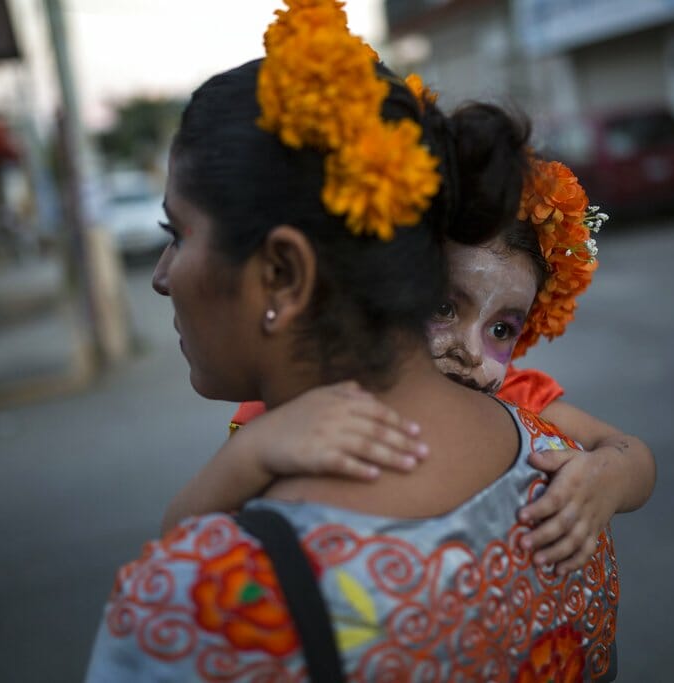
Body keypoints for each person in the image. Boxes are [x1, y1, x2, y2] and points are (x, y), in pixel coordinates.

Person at [86, 1, 617, 680]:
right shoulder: (567, 479)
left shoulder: (200, 602)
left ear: (282, 273)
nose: (162, 277)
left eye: (177, 234)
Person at [163, 157, 655, 580]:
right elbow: (177, 550)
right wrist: (255, 453)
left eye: (502, 330)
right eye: (443, 308)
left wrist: (604, 478)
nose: (470, 351)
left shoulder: (520, 402)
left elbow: (633, 453)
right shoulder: (303, 413)